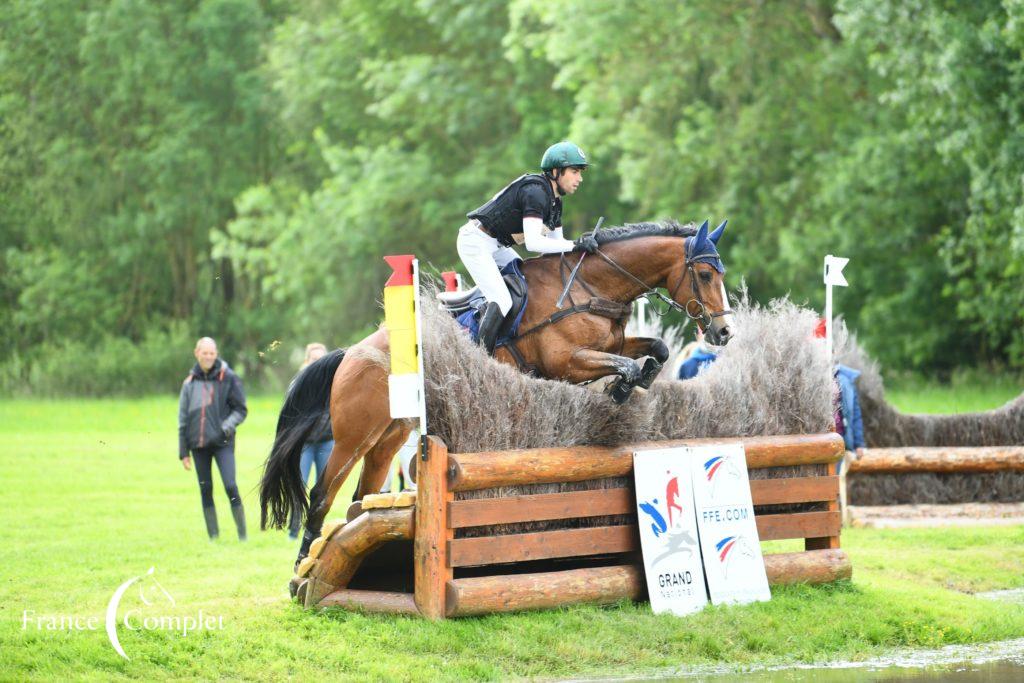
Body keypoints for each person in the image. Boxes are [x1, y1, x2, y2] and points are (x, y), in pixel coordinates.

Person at [458, 141, 599, 352]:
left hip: (497, 245)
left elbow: (556, 249)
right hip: (476, 241)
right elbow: (534, 243)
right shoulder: (536, 192)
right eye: (575, 171)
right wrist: (575, 244)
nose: (580, 178)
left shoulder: (555, 202)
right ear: (555, 171)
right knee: (502, 300)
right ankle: (479, 359)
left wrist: (582, 252)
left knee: (526, 281)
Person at [178, 337, 248, 541]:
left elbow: (241, 410)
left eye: (211, 353)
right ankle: (213, 536)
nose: (208, 356)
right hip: (197, 445)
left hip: (222, 443)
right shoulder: (189, 383)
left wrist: (224, 427)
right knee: (205, 488)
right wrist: (183, 451)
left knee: (230, 485)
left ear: (216, 354)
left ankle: (242, 534)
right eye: (204, 353)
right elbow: (182, 419)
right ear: (196, 353)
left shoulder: (229, 378)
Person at [288, 343, 335, 540]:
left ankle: (315, 528)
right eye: (315, 359)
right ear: (307, 361)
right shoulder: (299, 382)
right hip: (305, 444)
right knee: (300, 484)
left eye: (322, 358)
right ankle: (294, 529)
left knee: (324, 487)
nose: (319, 363)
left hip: (326, 441)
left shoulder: (335, 381)